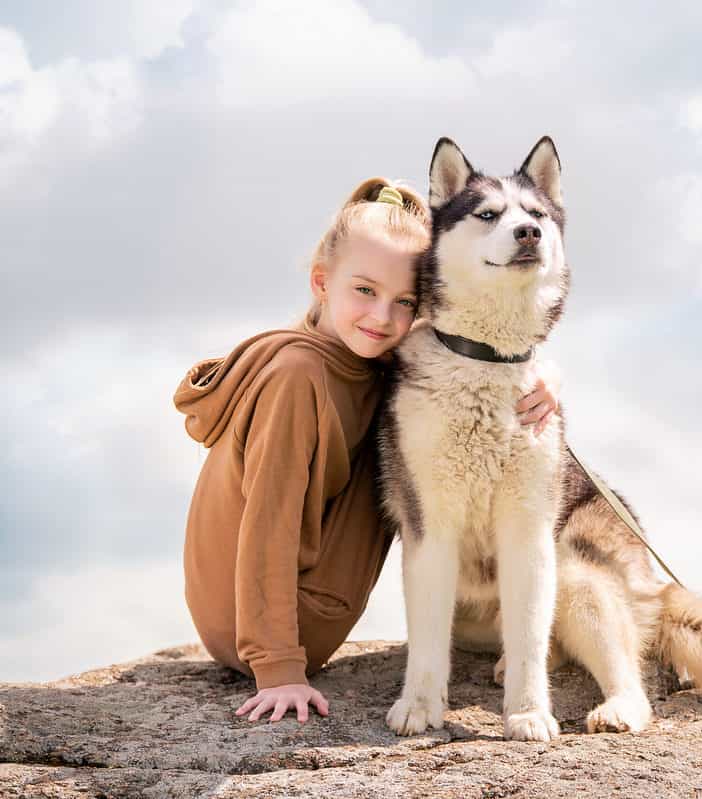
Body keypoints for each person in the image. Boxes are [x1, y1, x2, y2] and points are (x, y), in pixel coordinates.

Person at [173, 178, 560, 724]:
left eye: (404, 301)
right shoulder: (295, 376)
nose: (382, 317)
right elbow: (269, 520)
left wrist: (541, 377)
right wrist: (280, 669)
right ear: (320, 282)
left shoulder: (374, 358)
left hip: (300, 618)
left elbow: (460, 349)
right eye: (364, 291)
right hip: (256, 633)